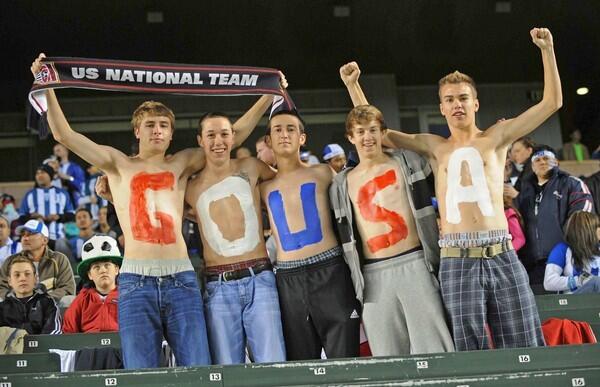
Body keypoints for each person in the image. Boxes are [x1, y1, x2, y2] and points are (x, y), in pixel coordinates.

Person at [31, 53, 275, 368]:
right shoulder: (118, 165)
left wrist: (266, 96)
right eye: (150, 125)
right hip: (135, 282)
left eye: (163, 126)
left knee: (197, 370)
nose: (157, 131)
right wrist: (48, 84)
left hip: (182, 280)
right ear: (137, 132)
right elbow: (65, 135)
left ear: (172, 133)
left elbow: (231, 137)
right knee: (141, 374)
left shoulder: (183, 161)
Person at [345, 28, 561, 351]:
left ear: (475, 103)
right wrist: (353, 86)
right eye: (449, 100)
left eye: (462, 98)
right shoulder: (434, 147)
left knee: (524, 345)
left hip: (501, 251)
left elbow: (551, 103)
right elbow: (383, 133)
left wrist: (547, 50)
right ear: (441, 108)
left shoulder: (497, 136)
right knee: (467, 350)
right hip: (456, 258)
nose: (456, 104)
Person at [330, 102, 453, 355]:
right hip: (372, 276)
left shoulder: (408, 162)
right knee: (387, 354)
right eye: (361, 131)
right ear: (350, 137)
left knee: (434, 347)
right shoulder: (341, 184)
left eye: (373, 130)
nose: (367, 137)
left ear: (382, 133)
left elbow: (445, 165)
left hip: (416, 262)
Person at [184, 112, 285, 365]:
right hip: (218, 285)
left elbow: (285, 185)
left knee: (272, 367)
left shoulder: (251, 166)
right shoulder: (190, 187)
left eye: (224, 134)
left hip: (260, 278)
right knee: (227, 373)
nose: (218, 141)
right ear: (200, 140)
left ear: (233, 138)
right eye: (211, 135)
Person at [260, 110, 360, 360]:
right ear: (268, 140)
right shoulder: (262, 187)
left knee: (345, 359)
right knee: (301, 363)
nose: (284, 135)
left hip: (330, 270)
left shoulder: (323, 173)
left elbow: (351, 209)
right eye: (278, 130)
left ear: (302, 138)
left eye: (291, 129)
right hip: (287, 277)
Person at [516, 148, 594, 284]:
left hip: (567, 260)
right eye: (537, 160)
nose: (542, 162)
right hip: (534, 266)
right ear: (532, 166)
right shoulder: (524, 191)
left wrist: (572, 249)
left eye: (546, 158)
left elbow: (582, 217)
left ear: (557, 162)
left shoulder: (572, 183)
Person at [0, 219, 75, 303]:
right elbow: (1, 287)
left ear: (45, 240)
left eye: (30, 234)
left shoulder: (59, 259)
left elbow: (67, 288)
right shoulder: (11, 261)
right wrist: (16, 299)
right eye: (23, 235)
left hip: (50, 305)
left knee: (69, 300)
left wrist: (43, 300)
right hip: (17, 306)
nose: (25, 238)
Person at [63, 235, 122, 333]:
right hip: (88, 347)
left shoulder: (128, 297)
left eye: (107, 265)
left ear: (116, 269)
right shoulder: (81, 300)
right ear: (90, 275)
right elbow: (69, 333)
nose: (103, 270)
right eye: (96, 267)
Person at [19, 163, 75, 249]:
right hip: (35, 239)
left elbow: (71, 215)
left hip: (58, 237)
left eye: (43, 172)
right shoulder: (30, 194)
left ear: (50, 175)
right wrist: (32, 218)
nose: (39, 175)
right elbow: (21, 217)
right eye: (37, 173)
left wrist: (59, 217)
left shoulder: (62, 193)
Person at [0, 255, 61, 334]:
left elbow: (53, 334)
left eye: (27, 274)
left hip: (43, 346)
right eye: (17, 275)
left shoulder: (48, 303)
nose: (22, 278)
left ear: (35, 278)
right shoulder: (2, 308)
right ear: (9, 281)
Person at [544, 211, 600, 293]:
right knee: (596, 281)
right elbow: (548, 282)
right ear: (586, 231)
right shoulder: (562, 249)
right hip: (573, 301)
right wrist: (578, 280)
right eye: (596, 227)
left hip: (596, 300)